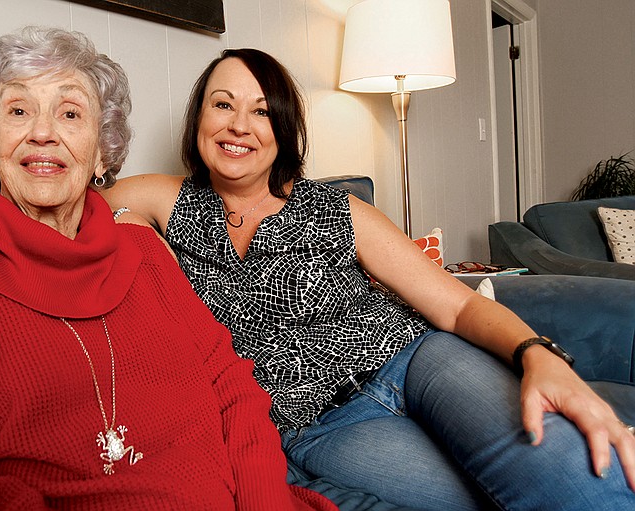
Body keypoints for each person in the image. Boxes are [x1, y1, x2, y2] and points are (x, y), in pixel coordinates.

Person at [100, 48, 635, 510]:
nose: (239, 125)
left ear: (283, 130)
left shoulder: (338, 209)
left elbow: (458, 307)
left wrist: (537, 354)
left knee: (580, 479)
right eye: (223, 104)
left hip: (419, 361)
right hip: (320, 425)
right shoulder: (158, 200)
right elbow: (62, 210)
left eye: (261, 111)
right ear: (199, 119)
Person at [0, 28, 338, 511]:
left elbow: (232, 389)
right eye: (18, 111)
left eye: (70, 113)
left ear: (100, 154)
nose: (43, 132)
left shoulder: (144, 251)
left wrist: (265, 503)